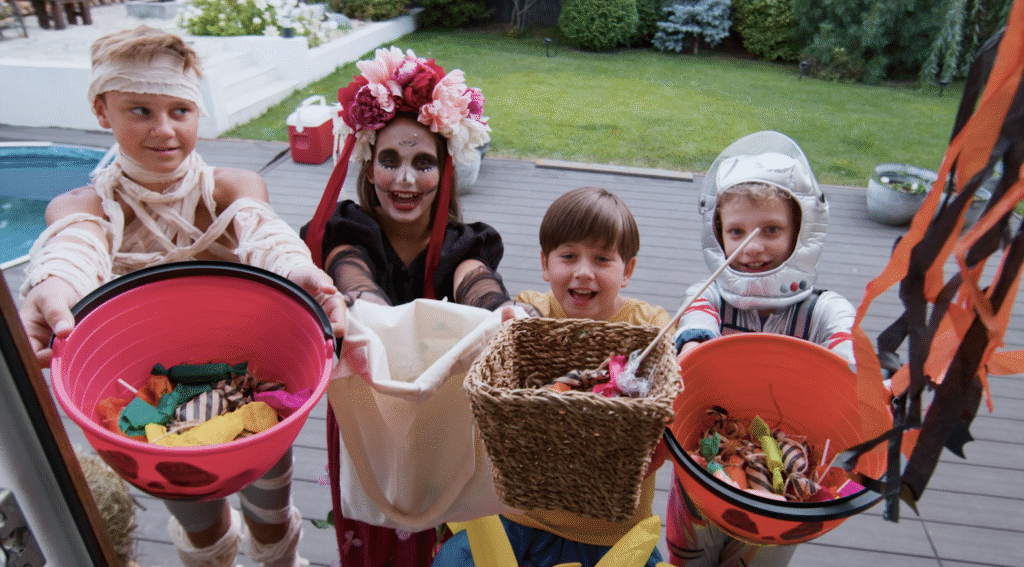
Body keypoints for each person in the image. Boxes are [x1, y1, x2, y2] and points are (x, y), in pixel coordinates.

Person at [17, 25, 347, 567]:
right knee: (202, 526)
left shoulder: (231, 186)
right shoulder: (82, 205)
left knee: (269, 514)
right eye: (139, 110)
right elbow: (72, 249)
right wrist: (54, 285)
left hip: (252, 382)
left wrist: (299, 271)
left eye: (180, 111)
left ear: (199, 113)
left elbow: (261, 231)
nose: (164, 130)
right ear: (103, 111)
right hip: (150, 411)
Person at [299, 47, 520, 567]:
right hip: (369, 401)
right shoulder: (345, 231)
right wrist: (369, 316)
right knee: (367, 524)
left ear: (445, 171)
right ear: (368, 165)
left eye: (423, 163)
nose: (404, 180)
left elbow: (476, 281)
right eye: (390, 161)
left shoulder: (464, 244)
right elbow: (352, 278)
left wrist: (504, 313)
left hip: (440, 412)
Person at [432, 186, 672, 567]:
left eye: (602, 259)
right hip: (520, 516)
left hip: (611, 532)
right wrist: (510, 317)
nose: (583, 272)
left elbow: (670, 395)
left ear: (627, 270)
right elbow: (519, 320)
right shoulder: (536, 314)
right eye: (568, 256)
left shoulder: (651, 327)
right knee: (453, 562)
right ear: (545, 264)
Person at [666, 130, 855, 567]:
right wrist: (695, 343)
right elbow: (696, 323)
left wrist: (857, 373)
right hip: (701, 475)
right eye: (737, 231)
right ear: (719, 235)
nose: (753, 247)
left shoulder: (822, 309)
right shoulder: (708, 294)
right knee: (686, 559)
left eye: (771, 229)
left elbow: (847, 345)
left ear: (800, 231)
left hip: (779, 499)